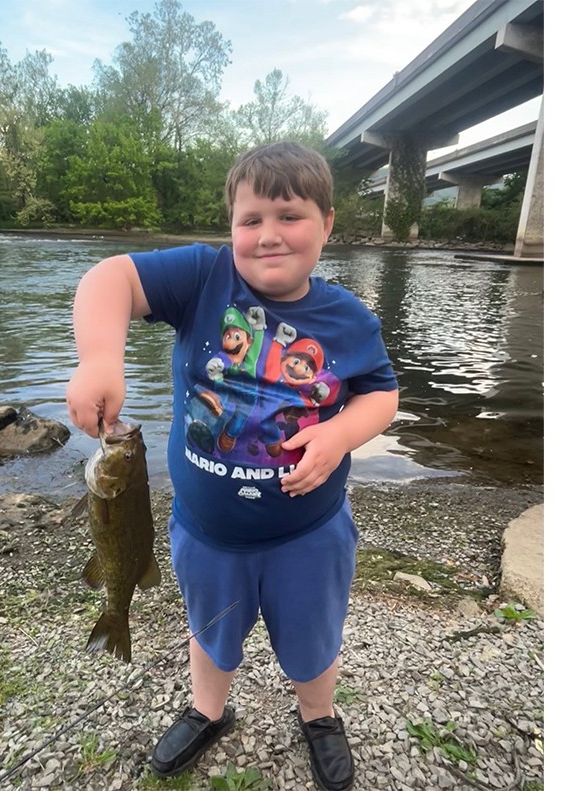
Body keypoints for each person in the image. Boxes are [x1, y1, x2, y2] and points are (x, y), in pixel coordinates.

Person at [66, 141, 399, 791]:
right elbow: (110, 278)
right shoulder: (201, 278)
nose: (268, 234)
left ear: (327, 224)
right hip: (205, 531)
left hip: (309, 531)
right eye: (250, 220)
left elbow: (380, 393)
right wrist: (99, 357)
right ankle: (208, 709)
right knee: (208, 633)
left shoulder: (349, 318)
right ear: (230, 229)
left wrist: (337, 434)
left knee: (312, 637)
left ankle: (319, 714)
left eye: (289, 215)